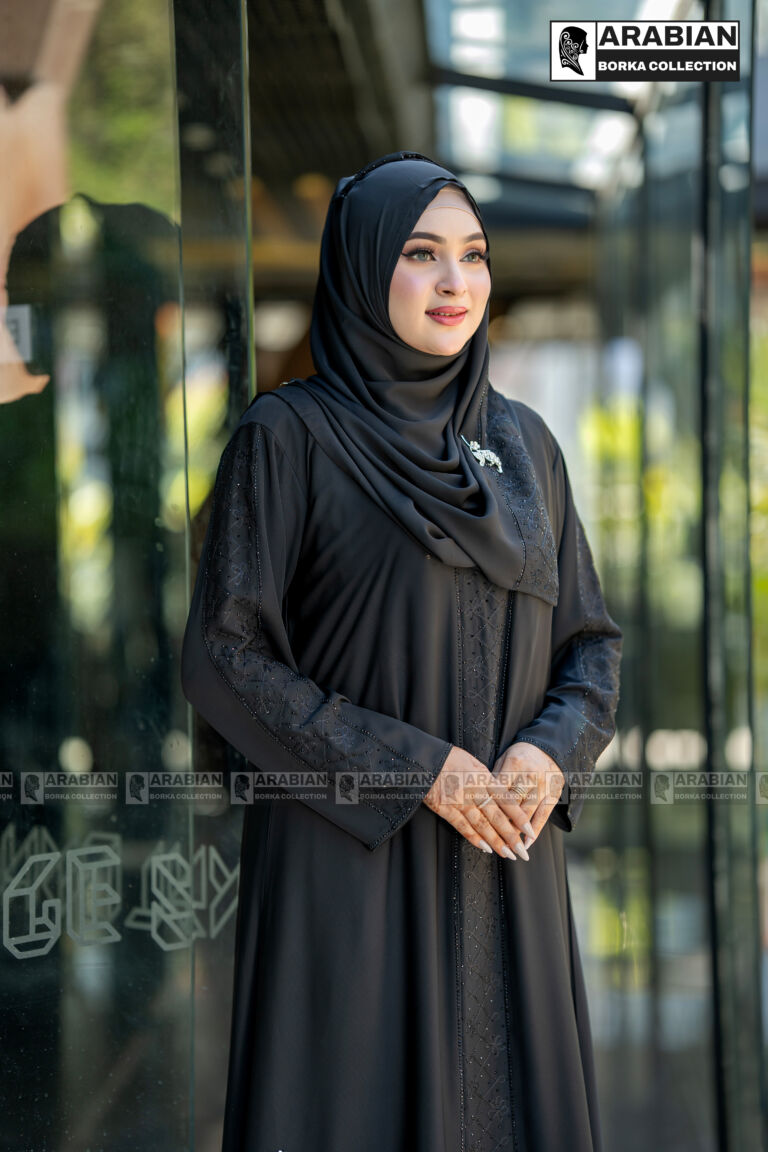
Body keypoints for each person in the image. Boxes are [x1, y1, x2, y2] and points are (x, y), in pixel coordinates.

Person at [181, 151, 622, 1152]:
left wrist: (550, 750)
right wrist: (415, 768)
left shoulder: (525, 447)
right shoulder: (289, 437)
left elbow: (591, 644)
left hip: (505, 863)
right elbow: (224, 655)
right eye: (421, 254)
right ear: (362, 265)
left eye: (473, 254)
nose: (455, 280)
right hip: (349, 868)